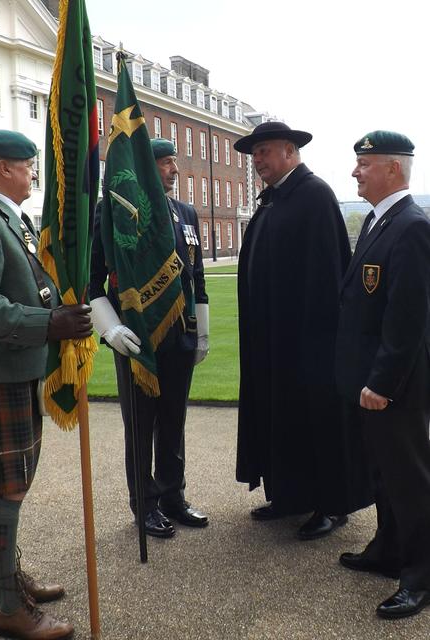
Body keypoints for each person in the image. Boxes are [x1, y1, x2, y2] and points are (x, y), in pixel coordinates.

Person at [0, 129, 93, 640]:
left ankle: (2, 580)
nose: (34, 173)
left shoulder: (5, 218)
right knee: (7, 486)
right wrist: (48, 324)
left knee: (9, 482)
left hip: (11, 367)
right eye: (29, 166)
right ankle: (10, 611)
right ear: (5, 170)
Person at [234, 121, 373, 539]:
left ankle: (331, 505)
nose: (257, 160)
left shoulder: (314, 197)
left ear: (291, 153)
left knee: (318, 421)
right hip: (274, 340)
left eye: (265, 152)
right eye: (254, 154)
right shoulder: (272, 201)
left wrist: (317, 343)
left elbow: (328, 277)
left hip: (309, 343)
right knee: (281, 416)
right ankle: (290, 495)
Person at [90, 138, 209, 538]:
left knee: (174, 421)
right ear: (145, 166)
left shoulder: (186, 213)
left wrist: (203, 332)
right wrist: (110, 328)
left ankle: (174, 495)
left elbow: (197, 278)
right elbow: (91, 284)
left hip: (180, 336)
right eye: (166, 163)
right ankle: (144, 504)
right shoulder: (114, 212)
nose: (175, 170)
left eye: (175, 162)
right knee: (141, 425)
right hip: (137, 338)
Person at [336, 130, 430, 619]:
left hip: (394, 387)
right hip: (368, 381)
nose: (355, 172)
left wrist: (382, 384)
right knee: (383, 475)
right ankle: (388, 549)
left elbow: (408, 319)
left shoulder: (412, 226)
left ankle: (419, 577)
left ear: (393, 168)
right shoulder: (378, 222)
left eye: (364, 164)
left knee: (410, 480)